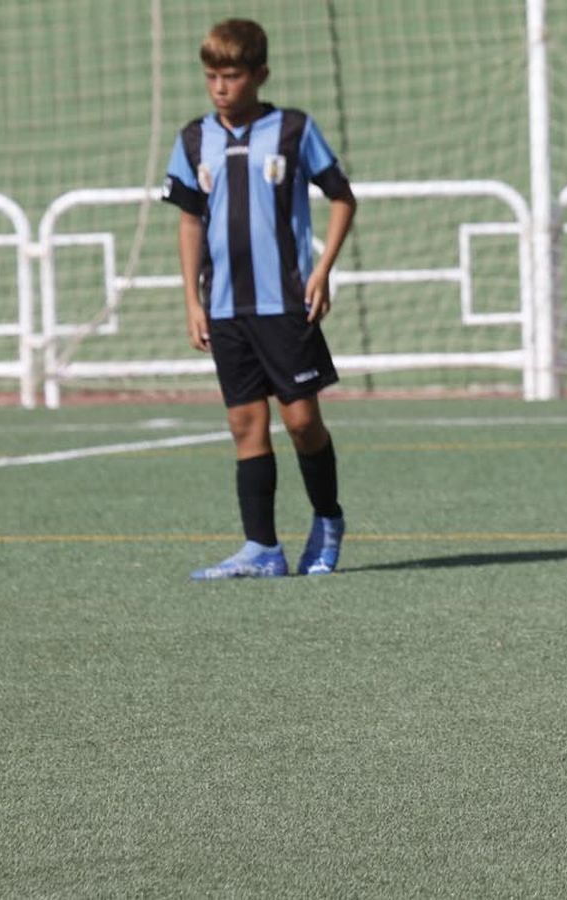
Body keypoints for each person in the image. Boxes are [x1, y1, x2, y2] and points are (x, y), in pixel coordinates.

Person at [163, 18, 357, 579]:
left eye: (231, 76)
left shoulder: (294, 129)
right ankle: (261, 548)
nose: (220, 87)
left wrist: (321, 270)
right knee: (245, 425)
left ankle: (326, 519)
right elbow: (190, 222)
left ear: (259, 75)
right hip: (225, 307)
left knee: (301, 422)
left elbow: (343, 199)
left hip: (284, 304)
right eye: (211, 77)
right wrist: (191, 301)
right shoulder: (195, 138)